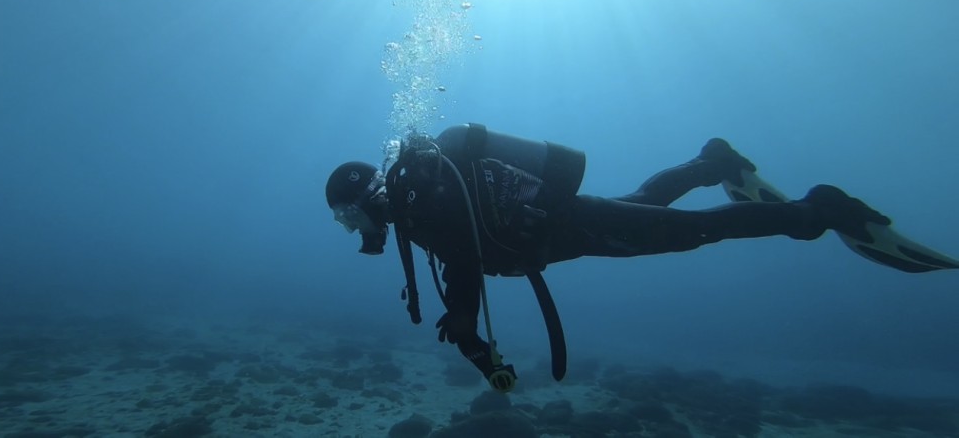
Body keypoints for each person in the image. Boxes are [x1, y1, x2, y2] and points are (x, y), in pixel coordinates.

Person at [324, 123, 957, 392]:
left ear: (362, 202)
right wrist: (470, 334)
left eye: (347, 217)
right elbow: (465, 255)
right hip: (554, 231)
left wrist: (469, 337)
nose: (355, 230)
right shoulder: (418, 196)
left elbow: (463, 265)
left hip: (557, 229)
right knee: (645, 204)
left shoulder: (416, 203)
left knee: (690, 231)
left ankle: (816, 212)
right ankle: (712, 161)